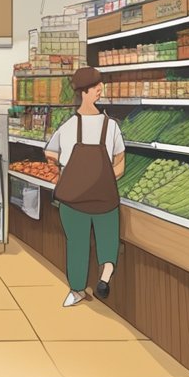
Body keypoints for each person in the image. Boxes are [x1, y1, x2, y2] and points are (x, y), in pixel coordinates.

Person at [45, 66, 125, 308]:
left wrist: (65, 170)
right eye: (95, 86)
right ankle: (105, 276)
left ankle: (77, 291)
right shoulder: (110, 126)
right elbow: (120, 162)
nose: (99, 89)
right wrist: (103, 179)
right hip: (104, 198)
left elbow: (49, 152)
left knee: (77, 244)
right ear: (86, 92)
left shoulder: (68, 126)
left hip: (73, 200)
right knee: (108, 238)